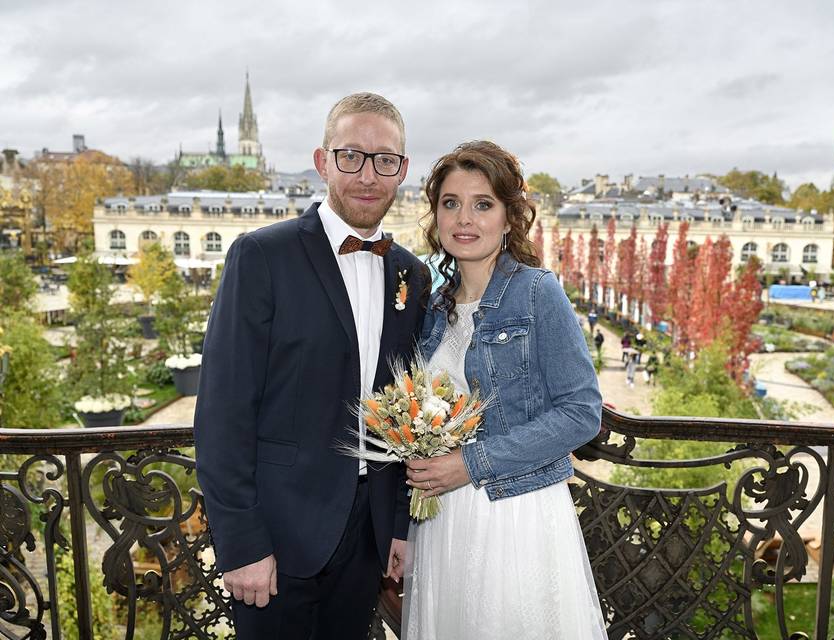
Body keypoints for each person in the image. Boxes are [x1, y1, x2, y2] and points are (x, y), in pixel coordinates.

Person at [194, 93, 430, 639]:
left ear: (402, 171)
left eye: (384, 159)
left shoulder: (411, 276)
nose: (367, 175)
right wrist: (242, 542)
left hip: (367, 544)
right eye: (351, 156)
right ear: (323, 161)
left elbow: (404, 412)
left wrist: (398, 526)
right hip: (276, 541)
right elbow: (224, 412)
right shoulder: (261, 256)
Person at [402, 141, 607, 639]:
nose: (464, 218)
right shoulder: (433, 305)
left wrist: (470, 464)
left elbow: (582, 413)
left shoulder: (538, 292)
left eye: (483, 203)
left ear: (510, 218)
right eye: (451, 203)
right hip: (442, 519)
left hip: (514, 514)